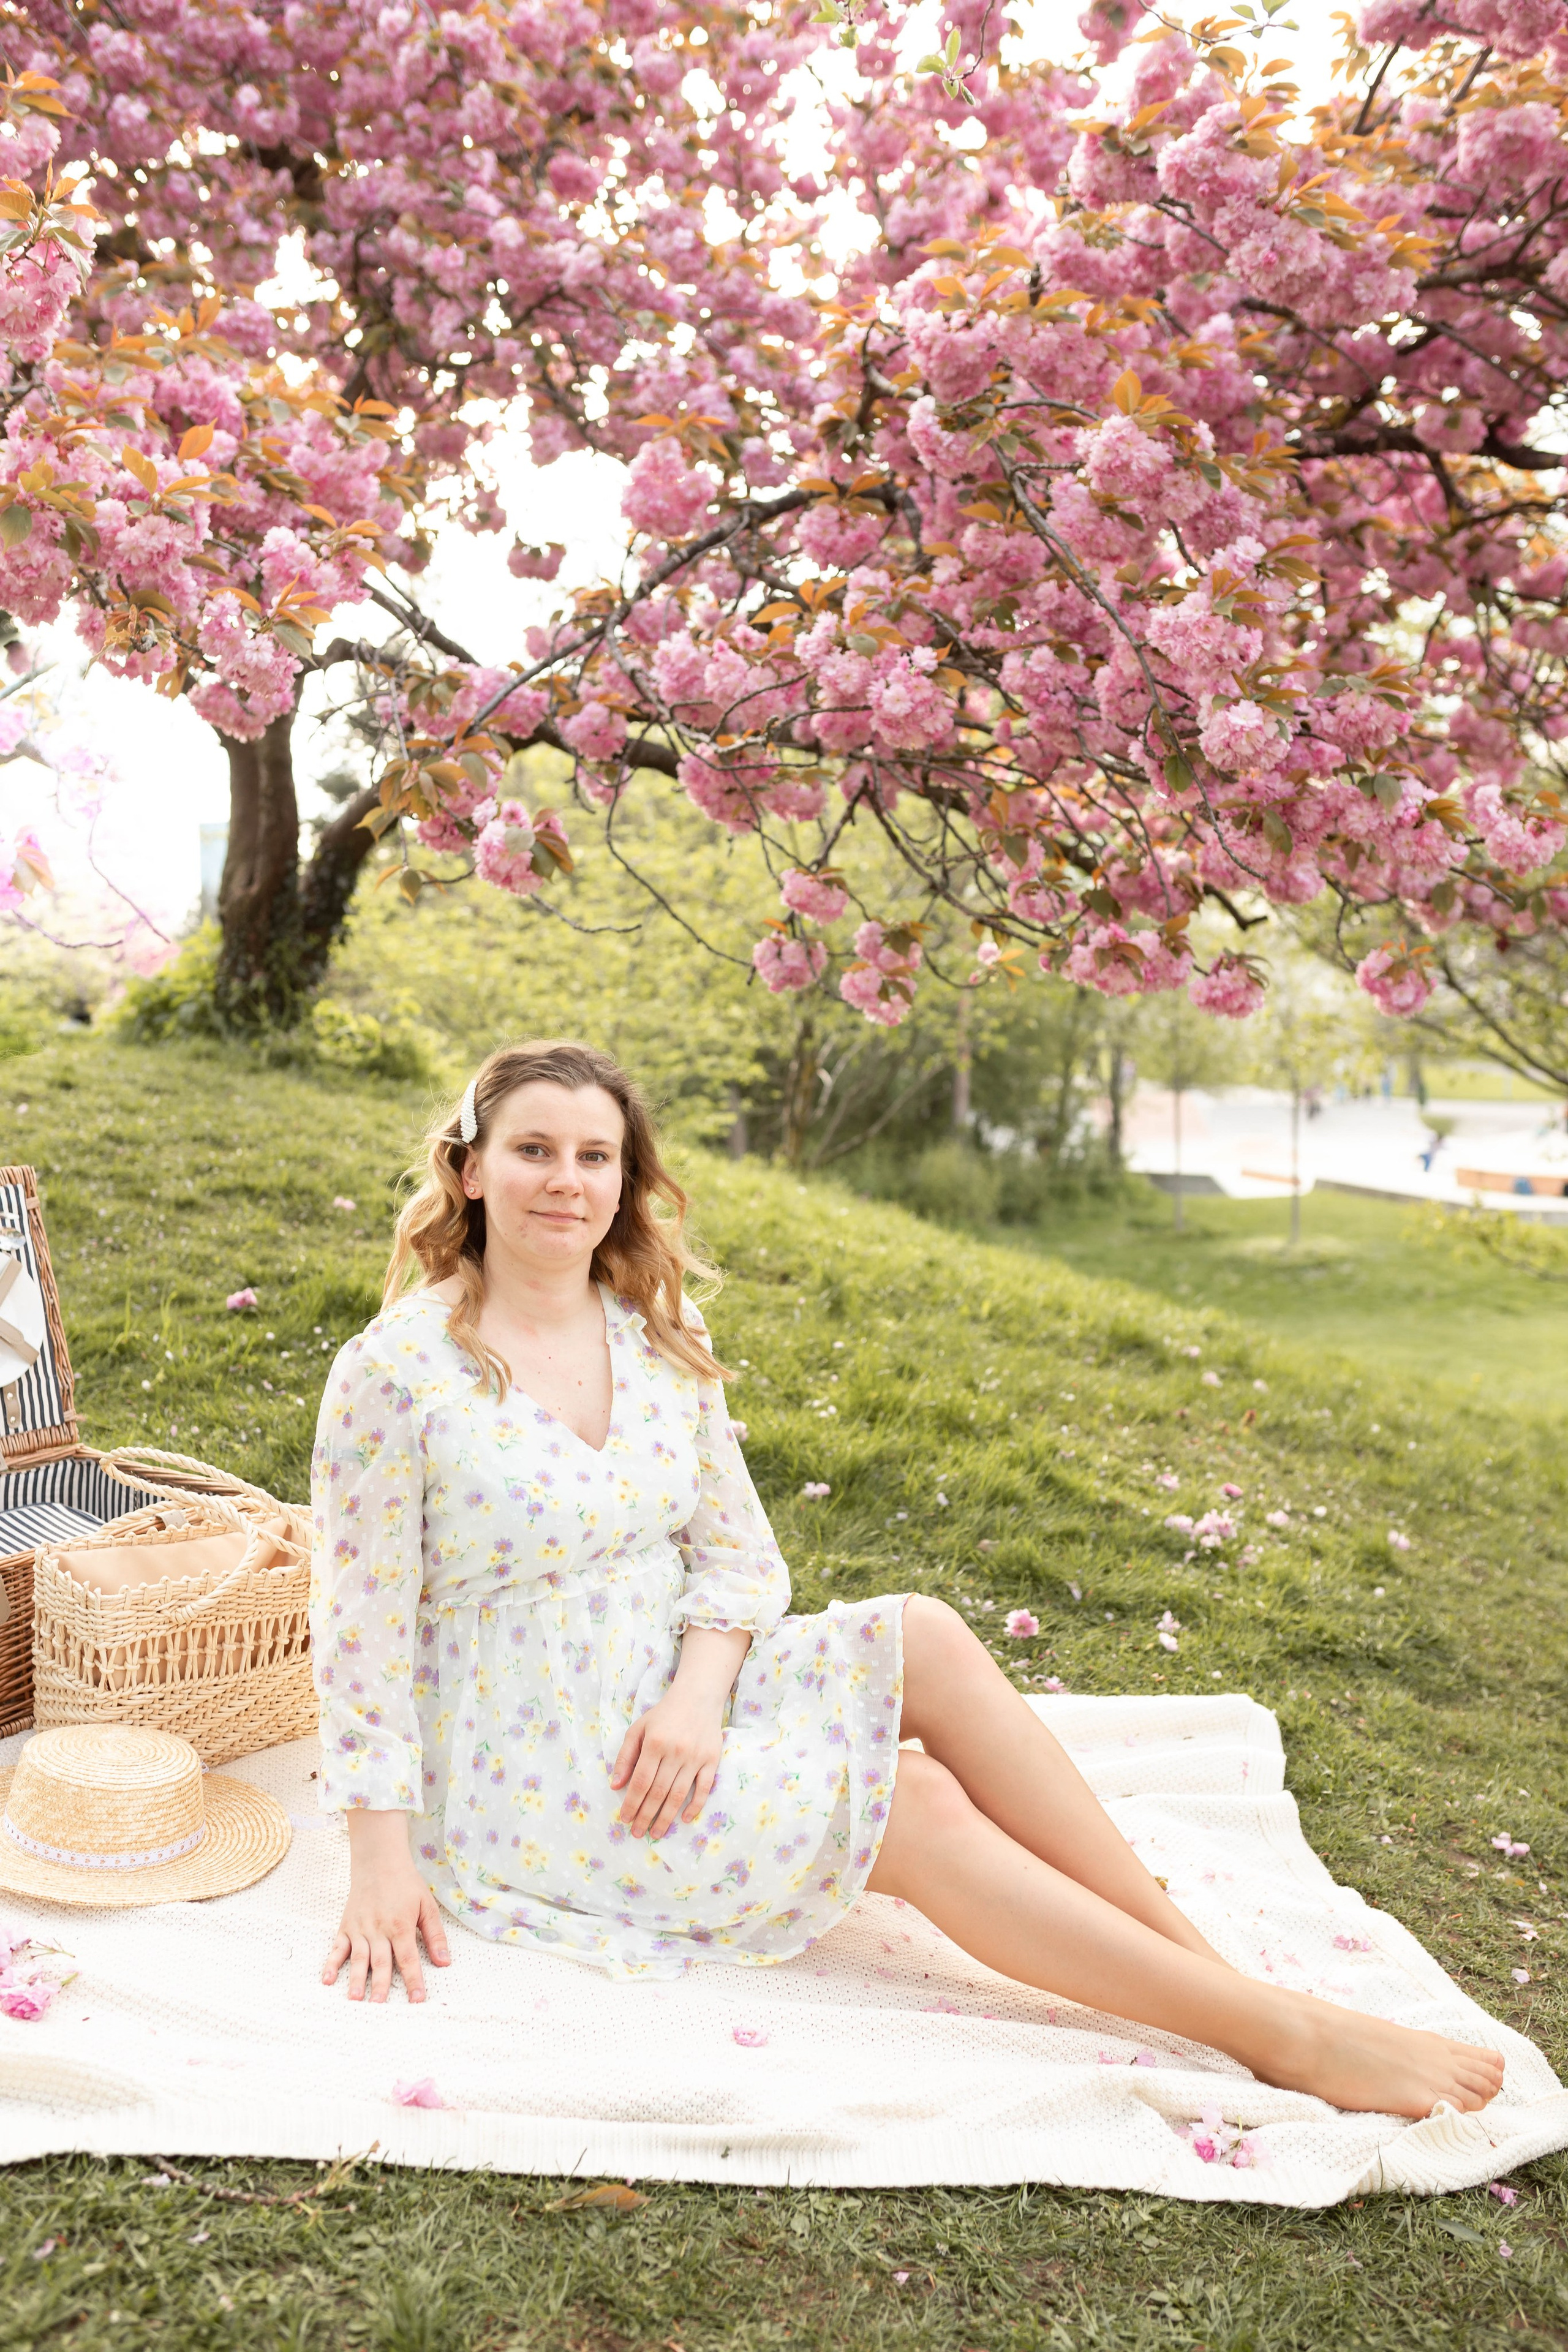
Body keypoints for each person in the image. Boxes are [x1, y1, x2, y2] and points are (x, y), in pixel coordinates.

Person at [311, 1040, 1503, 2122]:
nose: (563, 1179)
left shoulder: (650, 1335)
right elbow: (356, 1628)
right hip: (539, 1763)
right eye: (531, 1150)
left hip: (669, 1680)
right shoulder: (399, 1371)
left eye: (592, 1154)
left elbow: (737, 1558)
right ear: (469, 1170)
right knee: (916, 1803)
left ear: (624, 1181)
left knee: (921, 1632)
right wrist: (381, 1862)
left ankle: (1199, 1971)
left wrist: (696, 1696)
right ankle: (1279, 2035)